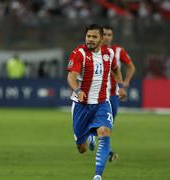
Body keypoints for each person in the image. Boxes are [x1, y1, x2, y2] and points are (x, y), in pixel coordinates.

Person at [67, 24, 126, 180]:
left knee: (105, 132)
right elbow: (71, 76)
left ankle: (97, 176)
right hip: (81, 105)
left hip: (101, 103)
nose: (90, 40)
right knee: (82, 148)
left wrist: (120, 86)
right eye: (88, 36)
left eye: (94, 37)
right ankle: (88, 137)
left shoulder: (109, 53)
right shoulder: (79, 53)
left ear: (101, 39)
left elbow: (116, 69)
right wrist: (78, 90)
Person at [102, 25, 136, 162]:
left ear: (112, 36)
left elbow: (131, 66)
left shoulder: (118, 51)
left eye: (109, 34)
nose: (107, 37)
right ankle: (106, 150)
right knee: (99, 122)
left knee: (108, 124)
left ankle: (106, 150)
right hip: (97, 95)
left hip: (113, 95)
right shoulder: (92, 50)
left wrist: (126, 82)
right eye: (104, 34)